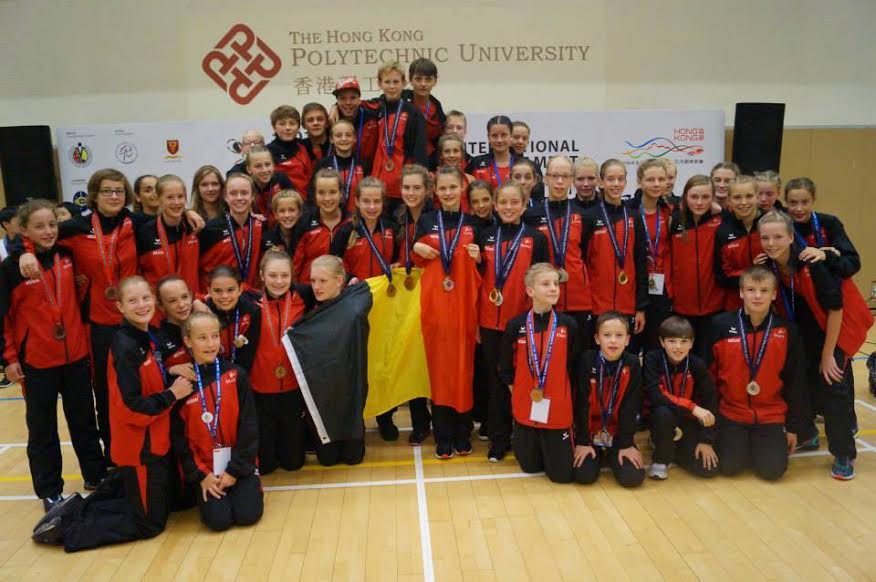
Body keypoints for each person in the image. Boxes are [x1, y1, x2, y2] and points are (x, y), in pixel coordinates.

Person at [31, 276, 194, 550]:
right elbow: (131, 407)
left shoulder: (145, 337)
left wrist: (169, 372)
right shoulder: (125, 347)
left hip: (155, 442)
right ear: (120, 306)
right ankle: (67, 528)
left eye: (145, 298)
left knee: (175, 504)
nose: (141, 305)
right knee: (149, 525)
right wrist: (172, 394)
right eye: (133, 300)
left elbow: (148, 381)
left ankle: (83, 506)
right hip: (140, 449)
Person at [0, 199, 106, 511]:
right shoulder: (11, 268)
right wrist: (9, 359)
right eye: (39, 226)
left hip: (75, 356)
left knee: (85, 421)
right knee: (42, 429)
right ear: (23, 230)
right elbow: (3, 318)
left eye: (52, 224)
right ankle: (50, 490)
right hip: (36, 362)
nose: (48, 231)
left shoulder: (66, 254)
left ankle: (96, 476)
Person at [759, 211, 873, 479]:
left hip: (834, 332)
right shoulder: (770, 267)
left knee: (833, 387)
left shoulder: (813, 264)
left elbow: (836, 309)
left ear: (791, 237)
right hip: (804, 335)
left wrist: (828, 354)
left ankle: (843, 453)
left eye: (778, 237)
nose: (771, 243)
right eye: (765, 238)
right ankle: (807, 434)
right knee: (801, 385)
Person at [706, 265, 807, 481]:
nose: (757, 296)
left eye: (764, 290)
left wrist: (792, 428)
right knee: (729, 467)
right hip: (731, 413)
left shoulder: (787, 331)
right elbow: (708, 379)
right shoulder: (720, 325)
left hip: (770, 415)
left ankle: (759, 446)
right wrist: (709, 427)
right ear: (741, 292)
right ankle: (744, 445)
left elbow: (796, 382)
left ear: (774, 294)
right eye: (751, 290)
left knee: (773, 471)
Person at [412, 166, 481, 459]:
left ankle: (462, 433)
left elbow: (486, 268)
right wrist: (416, 247)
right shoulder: (427, 221)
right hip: (436, 308)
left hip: (465, 309)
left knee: (464, 370)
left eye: (453, 187)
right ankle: (442, 435)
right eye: (443, 188)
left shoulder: (474, 222)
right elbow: (414, 260)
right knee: (440, 372)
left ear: (462, 188)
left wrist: (480, 258)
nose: (449, 192)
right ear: (435, 192)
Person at [173, 311, 263, 531]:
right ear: (188, 341)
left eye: (215, 336)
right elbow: (180, 439)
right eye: (202, 338)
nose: (211, 343)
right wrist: (201, 475)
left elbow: (249, 427)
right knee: (218, 521)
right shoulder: (182, 386)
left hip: (239, 464)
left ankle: (248, 482)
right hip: (206, 470)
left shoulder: (236, 375)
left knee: (247, 515)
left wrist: (234, 470)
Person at [498, 263, 585, 482]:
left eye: (556, 283)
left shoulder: (568, 325)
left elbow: (574, 365)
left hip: (557, 408)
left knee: (561, 476)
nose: (554, 288)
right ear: (530, 291)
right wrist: (516, 390)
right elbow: (506, 364)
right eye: (546, 284)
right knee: (529, 467)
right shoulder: (516, 325)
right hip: (526, 406)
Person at [480, 186, 549, 462]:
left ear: (524, 205)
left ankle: (527, 435)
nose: (508, 207)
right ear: (495, 205)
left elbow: (542, 280)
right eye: (503, 202)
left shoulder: (536, 238)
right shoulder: (485, 236)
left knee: (526, 380)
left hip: (523, 322)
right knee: (496, 382)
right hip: (489, 322)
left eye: (514, 202)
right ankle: (498, 439)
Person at [248, 251, 312, 473]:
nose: (279, 281)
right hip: (260, 389)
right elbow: (220, 294)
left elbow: (331, 282)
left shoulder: (304, 296)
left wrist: (351, 278)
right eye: (272, 275)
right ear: (262, 275)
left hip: (293, 388)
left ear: (292, 276)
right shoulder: (249, 301)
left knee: (293, 463)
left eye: (285, 275)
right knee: (265, 467)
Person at [524, 156, 592, 345]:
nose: (560, 181)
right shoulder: (532, 215)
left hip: (579, 299)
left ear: (572, 180)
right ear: (546, 178)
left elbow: (587, 255)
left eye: (565, 176)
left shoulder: (583, 215)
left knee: (579, 353)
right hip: (544, 299)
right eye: (554, 176)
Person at [574, 312, 645, 488]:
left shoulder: (632, 363)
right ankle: (597, 451)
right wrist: (583, 441)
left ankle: (611, 451)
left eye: (619, 335)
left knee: (632, 477)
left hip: (617, 433)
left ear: (627, 340)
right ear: (597, 339)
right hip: (591, 433)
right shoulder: (587, 360)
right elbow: (581, 403)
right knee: (583, 475)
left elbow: (631, 406)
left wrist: (626, 443)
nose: (613, 341)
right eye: (607, 335)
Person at [581, 159, 648, 342]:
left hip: (628, 305)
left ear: (626, 181)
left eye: (620, 179)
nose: (616, 184)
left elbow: (641, 262)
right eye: (610, 179)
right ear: (601, 182)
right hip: (597, 305)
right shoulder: (589, 217)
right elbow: (582, 263)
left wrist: (640, 307)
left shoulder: (634, 216)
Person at [644, 316, 719, 480]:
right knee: (663, 413)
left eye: (684, 342)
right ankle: (661, 459)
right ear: (662, 342)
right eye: (672, 341)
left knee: (707, 469)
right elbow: (656, 396)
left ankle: (674, 449)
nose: (678, 347)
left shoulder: (697, 364)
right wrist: (692, 407)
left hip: (687, 421)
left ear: (691, 343)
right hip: (660, 418)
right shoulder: (652, 360)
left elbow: (710, 401)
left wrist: (706, 440)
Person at [395, 164, 433, 445]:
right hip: (405, 298)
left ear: (427, 190)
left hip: (433, 293)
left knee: (433, 358)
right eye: (406, 187)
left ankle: (444, 417)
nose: (411, 193)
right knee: (411, 359)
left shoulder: (436, 218)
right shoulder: (395, 219)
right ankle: (420, 421)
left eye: (416, 187)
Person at [668, 175, 724, 358]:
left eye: (705, 197)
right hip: (681, 307)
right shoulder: (675, 221)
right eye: (694, 197)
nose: (699, 202)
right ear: (685, 197)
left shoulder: (721, 220)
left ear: (713, 198)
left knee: (708, 359)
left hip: (714, 306)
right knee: (683, 358)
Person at [367, 61, 428, 210]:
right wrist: (335, 107)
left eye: (396, 82)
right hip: (377, 184)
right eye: (387, 82)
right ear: (379, 84)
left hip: (403, 186)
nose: (392, 86)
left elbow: (419, 151)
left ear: (404, 83)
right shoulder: (375, 109)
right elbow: (351, 107)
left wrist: (418, 182)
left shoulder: (413, 112)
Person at [627, 159, 673, 351]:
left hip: (661, 288)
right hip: (634, 286)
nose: (656, 184)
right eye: (650, 179)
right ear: (639, 181)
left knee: (655, 346)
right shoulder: (628, 210)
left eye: (661, 179)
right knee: (632, 344)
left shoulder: (670, 211)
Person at [198, 173, 267, 293]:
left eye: (244, 193)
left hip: (250, 295)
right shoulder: (210, 229)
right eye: (233, 193)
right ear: (225, 196)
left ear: (252, 196)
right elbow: (197, 268)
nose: (239, 198)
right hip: (220, 296)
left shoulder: (261, 225)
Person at [136, 174, 200, 301]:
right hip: (159, 306)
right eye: (170, 197)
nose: (176, 202)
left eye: (180, 196)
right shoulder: (145, 232)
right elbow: (138, 272)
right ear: (159, 199)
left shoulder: (195, 226)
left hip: (191, 302)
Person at [785, 177, 860, 279]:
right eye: (793, 203)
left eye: (805, 202)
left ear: (813, 200)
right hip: (799, 286)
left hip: (835, 286)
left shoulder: (830, 223)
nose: (799, 208)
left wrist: (826, 256)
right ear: (786, 202)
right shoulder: (782, 226)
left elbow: (853, 263)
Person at [715, 175, 762, 311]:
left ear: (757, 196)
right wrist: (751, 271)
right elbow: (722, 277)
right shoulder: (723, 231)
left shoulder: (770, 224)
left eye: (749, 196)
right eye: (737, 197)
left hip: (770, 303)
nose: (743, 202)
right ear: (729, 200)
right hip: (735, 306)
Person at [294, 169, 349, 283]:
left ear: (341, 193)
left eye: (332, 192)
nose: (327, 198)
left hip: (343, 289)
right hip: (310, 288)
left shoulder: (352, 223)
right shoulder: (304, 223)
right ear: (315, 194)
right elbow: (295, 264)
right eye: (321, 192)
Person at [204, 266, 261, 372]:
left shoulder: (252, 311)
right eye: (217, 291)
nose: (224, 296)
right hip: (213, 373)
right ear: (209, 291)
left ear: (240, 290)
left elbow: (249, 353)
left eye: (230, 290)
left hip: (242, 372)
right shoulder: (202, 314)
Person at [315, 119, 368, 214]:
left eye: (348, 135)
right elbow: (313, 193)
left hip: (357, 217)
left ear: (354, 138)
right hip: (330, 216)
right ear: (331, 139)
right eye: (339, 135)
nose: (344, 139)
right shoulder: (323, 165)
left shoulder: (363, 165)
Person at [266, 105, 313, 198]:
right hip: (280, 204)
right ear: (274, 127)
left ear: (298, 127)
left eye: (292, 123)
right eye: (282, 124)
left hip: (306, 203)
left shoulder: (306, 146)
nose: (287, 128)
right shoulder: (267, 151)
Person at [332, 76, 379, 165]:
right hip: (339, 170)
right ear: (337, 101)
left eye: (353, 98)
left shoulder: (373, 115)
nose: (348, 102)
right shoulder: (332, 121)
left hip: (369, 171)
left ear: (359, 99)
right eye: (343, 98)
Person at [404, 57, 445, 158]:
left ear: (435, 81)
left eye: (428, 79)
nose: (423, 84)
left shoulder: (437, 108)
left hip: (428, 161)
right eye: (418, 79)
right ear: (410, 80)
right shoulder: (401, 101)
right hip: (402, 159)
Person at [245, 145, 294, 225]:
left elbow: (295, 205)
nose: (264, 170)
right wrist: (249, 216)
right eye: (258, 166)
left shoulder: (281, 179)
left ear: (273, 165)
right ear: (249, 169)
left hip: (281, 226)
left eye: (267, 164)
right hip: (255, 228)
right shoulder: (245, 186)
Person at [466, 115, 515, 189]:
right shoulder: (475, 164)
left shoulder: (521, 164)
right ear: (488, 137)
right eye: (494, 135)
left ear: (511, 136)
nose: (499, 140)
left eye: (504, 135)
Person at [263, 189, 306, 257]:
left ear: (300, 212)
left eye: (291, 210)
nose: (287, 215)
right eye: (282, 211)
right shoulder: (267, 238)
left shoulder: (307, 234)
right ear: (275, 214)